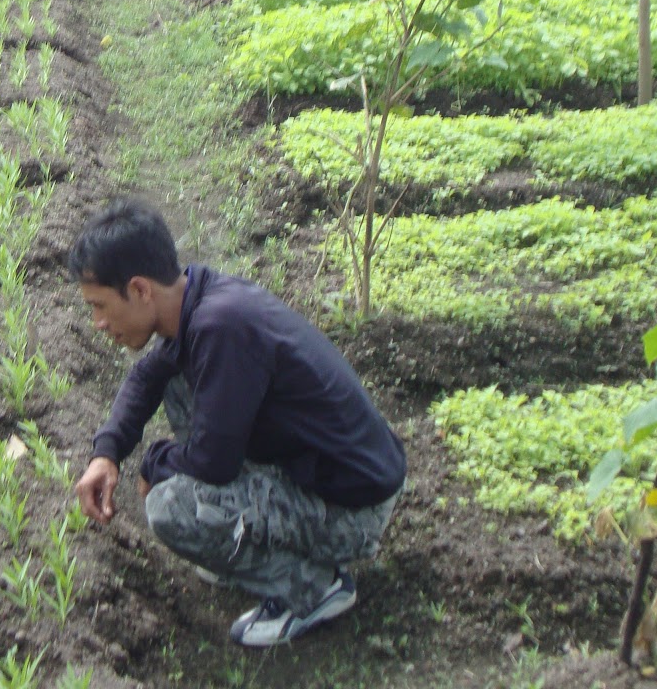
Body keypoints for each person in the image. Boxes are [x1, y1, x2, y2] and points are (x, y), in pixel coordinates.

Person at [71, 200, 406, 648]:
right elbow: (147, 376)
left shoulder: (222, 328)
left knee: (171, 508)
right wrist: (107, 453)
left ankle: (312, 590)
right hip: (334, 471)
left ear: (140, 289)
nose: (97, 323)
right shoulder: (197, 298)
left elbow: (213, 464)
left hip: (352, 510)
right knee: (172, 383)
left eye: (100, 306)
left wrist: (153, 464)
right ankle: (238, 541)